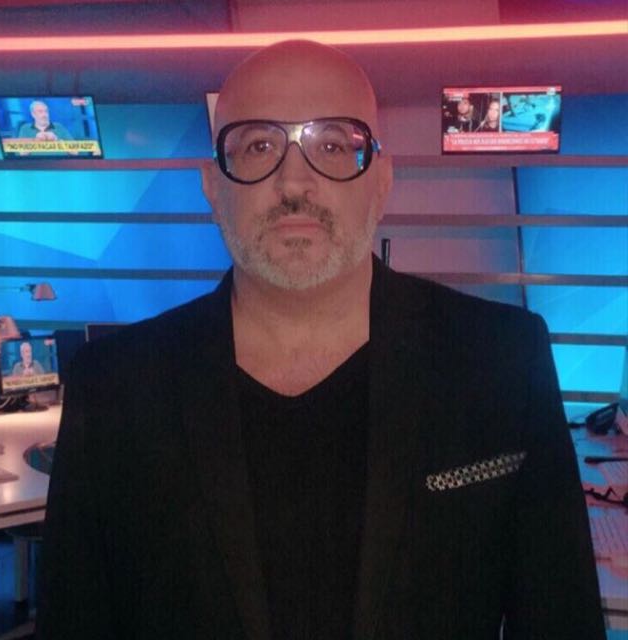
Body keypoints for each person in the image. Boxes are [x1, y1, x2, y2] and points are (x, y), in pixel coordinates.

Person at [37, 40, 605, 639]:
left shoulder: (502, 360)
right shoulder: (114, 387)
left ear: (382, 182)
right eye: (258, 146)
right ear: (212, 188)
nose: (294, 181)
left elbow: (561, 619)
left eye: (332, 144)